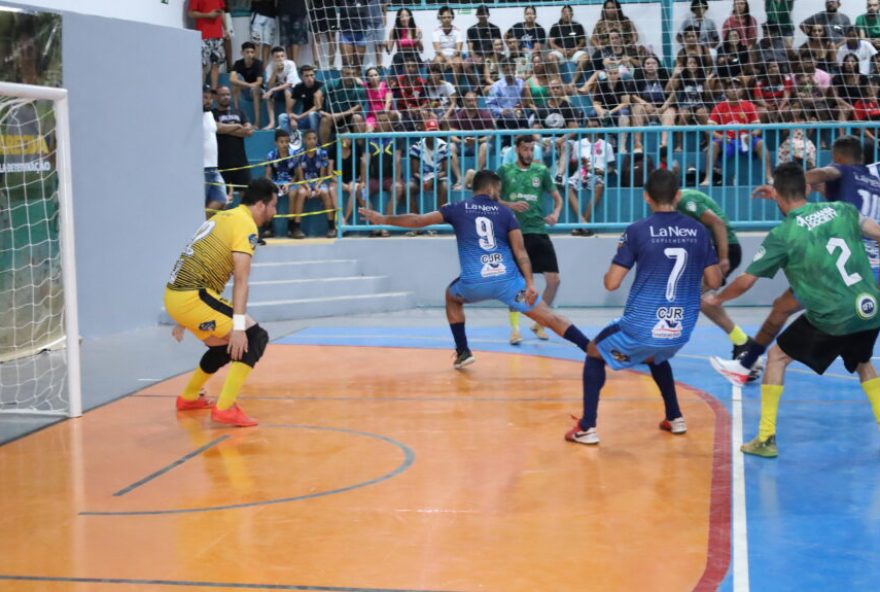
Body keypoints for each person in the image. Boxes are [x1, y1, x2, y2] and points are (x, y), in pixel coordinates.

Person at [707, 163, 880, 458]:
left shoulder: (783, 234)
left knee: (776, 357)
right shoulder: (843, 210)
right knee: (863, 364)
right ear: (808, 188)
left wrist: (718, 299)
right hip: (869, 307)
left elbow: (746, 282)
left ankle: (765, 438)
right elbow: (875, 230)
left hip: (832, 316)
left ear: (775, 195)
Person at [357, 170, 591, 369]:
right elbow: (521, 252)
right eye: (498, 191)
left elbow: (417, 221)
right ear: (491, 190)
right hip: (509, 282)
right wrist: (530, 284)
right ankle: (589, 348)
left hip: (474, 283)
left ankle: (463, 351)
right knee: (549, 317)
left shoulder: (457, 208)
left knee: (451, 296)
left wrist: (383, 218)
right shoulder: (506, 212)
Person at [565, 169, 722, 445]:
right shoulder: (698, 230)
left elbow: (612, 284)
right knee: (657, 356)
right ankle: (674, 416)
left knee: (594, 352)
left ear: (646, 197)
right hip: (681, 327)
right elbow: (714, 280)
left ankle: (587, 426)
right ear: (678, 196)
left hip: (643, 324)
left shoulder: (638, 230)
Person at [165, 178, 278, 427]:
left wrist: (181, 316)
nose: (275, 212)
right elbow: (241, 279)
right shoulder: (245, 225)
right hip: (193, 297)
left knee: (221, 347)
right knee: (254, 337)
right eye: (273, 206)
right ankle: (225, 407)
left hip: (178, 296)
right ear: (260, 205)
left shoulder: (223, 216)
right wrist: (238, 328)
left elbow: (194, 257)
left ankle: (189, 397)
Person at [497, 136, 564, 345]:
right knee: (518, 285)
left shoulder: (541, 172)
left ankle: (539, 323)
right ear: (517, 149)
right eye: (525, 149)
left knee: (554, 281)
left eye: (531, 149)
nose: (528, 153)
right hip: (516, 233)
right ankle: (515, 329)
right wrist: (511, 205)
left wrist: (556, 213)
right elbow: (495, 199)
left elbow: (557, 198)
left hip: (539, 231)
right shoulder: (505, 171)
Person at [701, 78, 773, 186]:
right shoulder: (719, 107)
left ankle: (769, 177)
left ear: (742, 90)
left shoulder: (749, 106)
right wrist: (720, 137)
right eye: (730, 88)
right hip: (727, 140)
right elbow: (708, 128)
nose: (734, 90)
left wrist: (753, 134)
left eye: (737, 87)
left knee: (761, 143)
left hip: (745, 139)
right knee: (713, 145)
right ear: (726, 91)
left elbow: (758, 127)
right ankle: (708, 178)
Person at [292, 129, 337, 239]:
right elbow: (300, 177)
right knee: (301, 193)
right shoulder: (298, 154)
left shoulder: (322, 153)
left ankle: (331, 227)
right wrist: (307, 188)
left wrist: (317, 187)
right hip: (305, 183)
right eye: (309, 139)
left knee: (325, 192)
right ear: (304, 140)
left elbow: (322, 176)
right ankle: (296, 228)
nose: (312, 141)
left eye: (314, 138)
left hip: (318, 182)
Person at [213, 86, 254, 201]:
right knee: (222, 200)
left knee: (247, 198)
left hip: (241, 162)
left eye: (228, 94)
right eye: (222, 95)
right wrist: (237, 126)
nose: (226, 97)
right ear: (216, 97)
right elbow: (217, 128)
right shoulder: (212, 113)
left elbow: (249, 131)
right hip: (221, 163)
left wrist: (226, 130)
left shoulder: (240, 112)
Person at [188, 0, 229, 90]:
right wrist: (208, 15)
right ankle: (200, 92)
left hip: (217, 35)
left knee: (216, 64)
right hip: (203, 35)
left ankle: (213, 91)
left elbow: (221, 11)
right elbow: (191, 13)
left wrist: (226, 29)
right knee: (202, 65)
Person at [262, 46, 300, 130]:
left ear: (285, 56)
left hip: (295, 89)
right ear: (273, 58)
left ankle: (287, 119)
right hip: (280, 90)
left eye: (282, 56)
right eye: (277, 57)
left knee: (286, 91)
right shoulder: (270, 67)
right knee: (268, 93)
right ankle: (272, 122)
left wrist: (272, 90)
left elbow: (289, 84)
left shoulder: (291, 64)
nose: (280, 59)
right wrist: (275, 72)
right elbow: (269, 85)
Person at [203, 86, 226, 218]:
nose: (209, 101)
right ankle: (196, 230)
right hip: (202, 168)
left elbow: (219, 128)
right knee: (199, 203)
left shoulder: (210, 114)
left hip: (213, 167)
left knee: (221, 200)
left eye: (211, 98)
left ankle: (200, 227)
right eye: (205, 97)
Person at [230, 41, 264, 128]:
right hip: (245, 89)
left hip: (258, 92)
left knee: (255, 88)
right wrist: (248, 85)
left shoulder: (258, 63)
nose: (250, 54)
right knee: (235, 83)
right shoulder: (238, 63)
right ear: (242, 53)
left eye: (252, 52)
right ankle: (237, 116)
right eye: (247, 52)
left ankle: (257, 122)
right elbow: (232, 79)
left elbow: (259, 82)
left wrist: (252, 86)